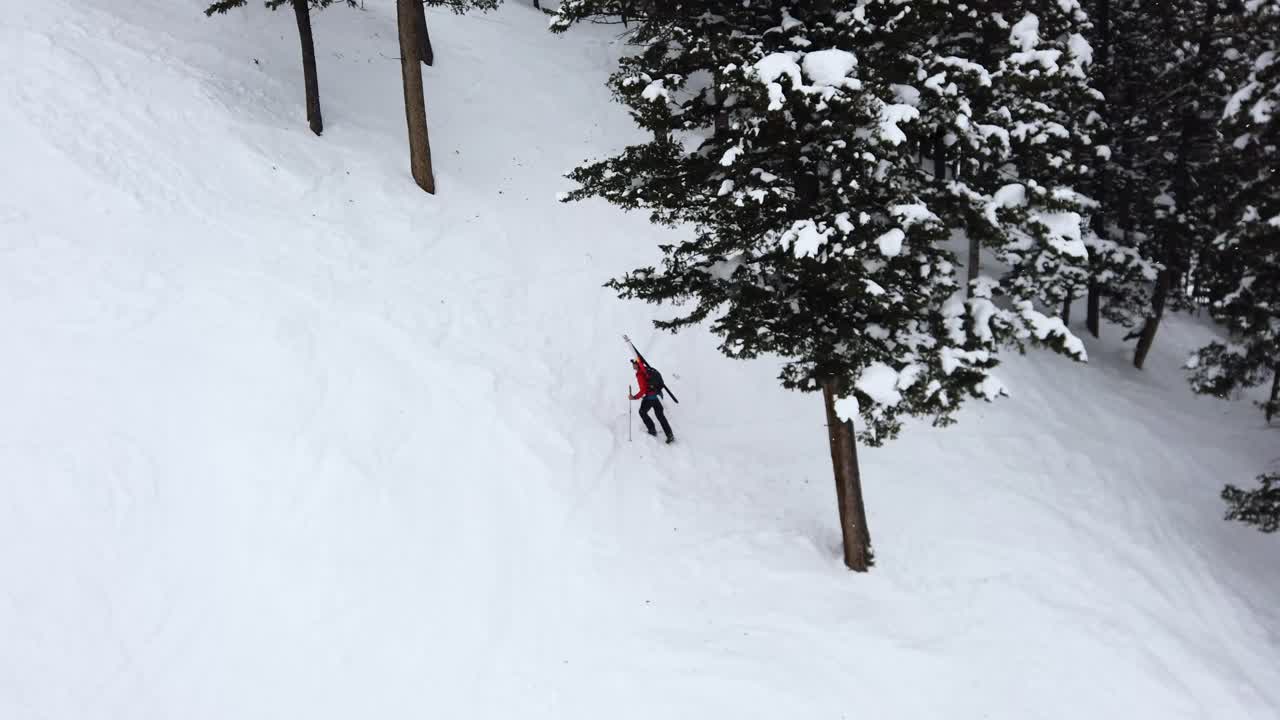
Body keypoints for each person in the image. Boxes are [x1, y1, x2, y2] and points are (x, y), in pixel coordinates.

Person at [630, 357, 674, 443]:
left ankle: (652, 430)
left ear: (638, 364)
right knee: (660, 416)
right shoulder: (647, 370)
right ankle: (670, 435)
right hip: (655, 396)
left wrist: (634, 397)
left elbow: (643, 390)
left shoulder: (640, 374)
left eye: (634, 364)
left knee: (642, 412)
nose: (632, 365)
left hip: (650, 397)